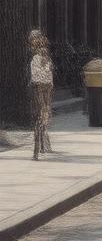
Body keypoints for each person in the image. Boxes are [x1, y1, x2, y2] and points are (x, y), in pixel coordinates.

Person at [28, 30, 54, 160]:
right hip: (41, 88)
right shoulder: (41, 57)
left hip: (40, 88)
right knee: (42, 116)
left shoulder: (38, 57)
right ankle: (40, 147)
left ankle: (38, 149)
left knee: (40, 117)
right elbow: (47, 75)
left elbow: (41, 76)